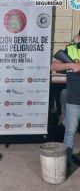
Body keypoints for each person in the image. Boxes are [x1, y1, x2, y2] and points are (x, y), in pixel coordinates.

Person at [51, 34, 80, 165]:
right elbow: (54, 66)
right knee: (70, 131)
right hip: (74, 100)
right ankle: (67, 162)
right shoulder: (71, 49)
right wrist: (72, 65)